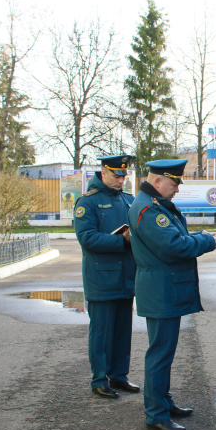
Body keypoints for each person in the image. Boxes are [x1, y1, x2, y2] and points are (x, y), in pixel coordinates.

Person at [128, 159, 216, 430]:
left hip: (163, 289)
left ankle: (163, 402)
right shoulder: (148, 208)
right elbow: (174, 246)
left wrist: (199, 236)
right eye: (173, 183)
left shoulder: (153, 204)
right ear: (157, 182)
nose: (177, 189)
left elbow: (175, 237)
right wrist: (207, 240)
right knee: (160, 353)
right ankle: (156, 413)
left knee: (164, 353)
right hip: (161, 291)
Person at [74, 155, 139, 399]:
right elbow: (87, 238)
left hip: (126, 276)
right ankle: (99, 379)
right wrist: (120, 239)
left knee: (123, 330)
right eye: (116, 175)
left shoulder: (128, 200)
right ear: (103, 172)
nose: (121, 180)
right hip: (101, 278)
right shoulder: (87, 202)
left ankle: (119, 376)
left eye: (124, 175)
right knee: (101, 332)